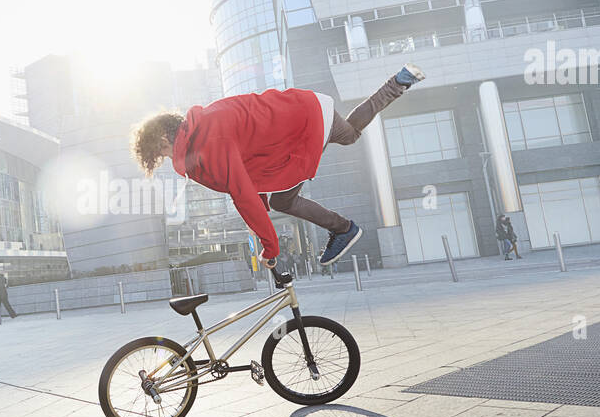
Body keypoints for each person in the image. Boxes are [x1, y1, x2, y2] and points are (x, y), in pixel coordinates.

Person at [131, 63, 424, 271]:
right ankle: (397, 83)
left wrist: (270, 248)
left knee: (284, 200)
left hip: (299, 129)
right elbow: (250, 160)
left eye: (163, 153)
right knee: (349, 134)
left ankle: (344, 228)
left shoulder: (207, 144)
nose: (168, 159)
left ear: (163, 138)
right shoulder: (205, 121)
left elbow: (242, 193)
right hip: (309, 105)